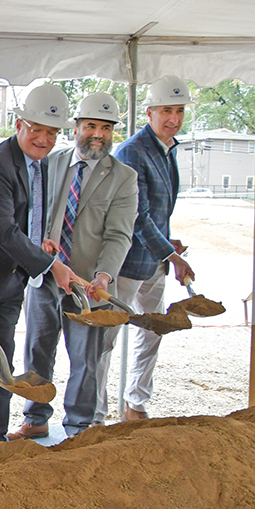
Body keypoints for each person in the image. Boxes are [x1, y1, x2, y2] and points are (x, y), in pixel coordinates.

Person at [0, 84, 84, 444]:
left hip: (12, 282)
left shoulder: (37, 165)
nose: (43, 139)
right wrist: (51, 265)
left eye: (51, 132)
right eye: (37, 130)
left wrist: (39, 242)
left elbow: (24, 221)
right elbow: (3, 230)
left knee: (0, 365)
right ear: (18, 124)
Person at [12, 92, 138, 439]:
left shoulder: (124, 178)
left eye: (106, 128)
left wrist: (104, 275)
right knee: (37, 352)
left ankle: (78, 428)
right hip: (45, 276)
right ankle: (35, 419)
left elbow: (119, 235)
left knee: (85, 360)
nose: (98, 134)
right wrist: (37, 246)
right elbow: (29, 216)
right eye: (91, 126)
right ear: (77, 127)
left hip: (87, 284)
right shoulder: (48, 163)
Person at [94, 75, 196, 423]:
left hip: (155, 261)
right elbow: (138, 216)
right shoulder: (133, 152)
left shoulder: (169, 149)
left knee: (152, 333)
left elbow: (159, 211)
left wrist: (169, 246)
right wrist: (171, 254)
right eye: (167, 110)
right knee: (106, 338)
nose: (174, 118)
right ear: (150, 112)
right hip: (126, 261)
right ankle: (95, 415)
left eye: (180, 111)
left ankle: (135, 406)